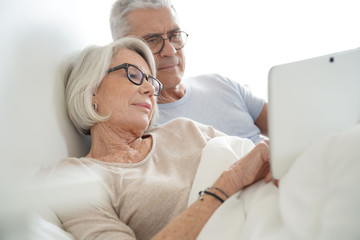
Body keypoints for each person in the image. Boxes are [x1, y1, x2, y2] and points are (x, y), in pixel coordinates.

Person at [55, 36, 273, 239]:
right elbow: (239, 172)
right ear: (92, 88)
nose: (150, 88)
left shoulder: (185, 129)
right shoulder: (76, 176)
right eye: (133, 75)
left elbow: (251, 158)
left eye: (152, 81)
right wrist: (230, 182)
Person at [109, 0, 268, 144]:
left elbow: (289, 123)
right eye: (152, 40)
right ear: (124, 51)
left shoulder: (220, 83)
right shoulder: (139, 126)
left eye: (175, 35)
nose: (170, 51)